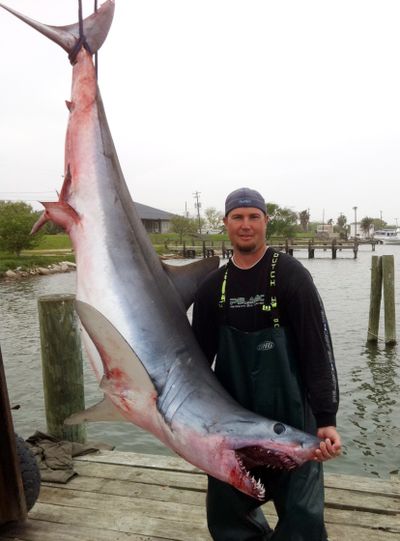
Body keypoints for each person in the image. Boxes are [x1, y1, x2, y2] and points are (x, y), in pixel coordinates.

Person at [192, 187, 341, 541]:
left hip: (291, 418)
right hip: (231, 423)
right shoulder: (213, 288)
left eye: (253, 217)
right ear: (226, 224)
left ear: (265, 222)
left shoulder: (291, 276)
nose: (246, 225)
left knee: (303, 517)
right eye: (238, 217)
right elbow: (197, 366)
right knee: (229, 515)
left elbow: (318, 349)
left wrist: (327, 418)